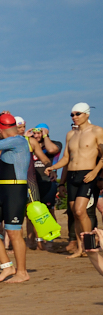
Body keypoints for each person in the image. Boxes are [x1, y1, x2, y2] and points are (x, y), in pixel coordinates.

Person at [0, 112, 46, 283]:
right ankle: (8, 267)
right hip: (1, 190)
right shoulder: (6, 143)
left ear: (1, 130)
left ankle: (22, 272)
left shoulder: (17, 140)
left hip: (15, 190)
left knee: (14, 233)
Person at [54, 102, 101, 252]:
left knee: (81, 211)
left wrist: (95, 172)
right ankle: (81, 248)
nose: (74, 117)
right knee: (75, 213)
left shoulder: (97, 131)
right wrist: (53, 167)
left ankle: (89, 245)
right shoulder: (70, 134)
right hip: (72, 176)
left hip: (87, 174)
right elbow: (66, 158)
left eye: (77, 114)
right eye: (72, 114)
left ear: (87, 114)